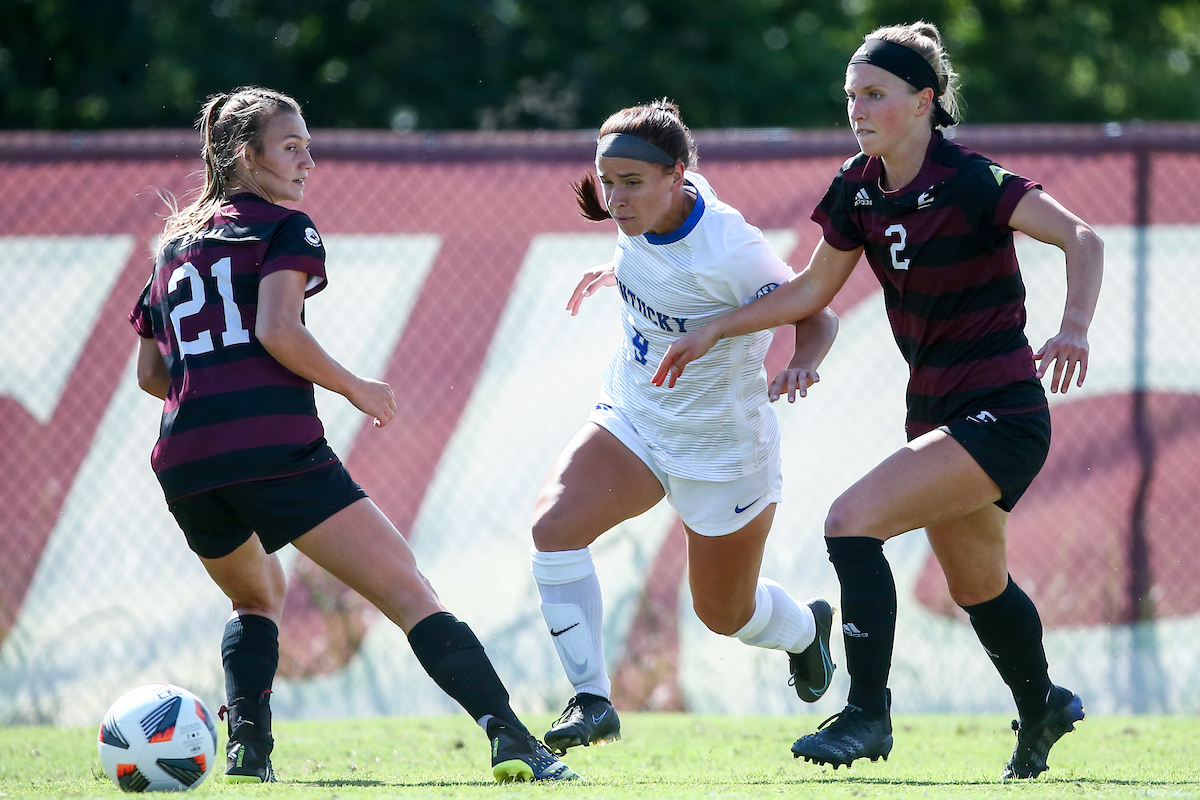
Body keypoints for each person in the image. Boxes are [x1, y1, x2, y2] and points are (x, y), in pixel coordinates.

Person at [654, 22, 1103, 780]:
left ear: (924, 101)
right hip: (934, 412)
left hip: (1004, 411)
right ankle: (1044, 706)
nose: (857, 109)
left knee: (851, 522)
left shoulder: (971, 180)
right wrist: (720, 327)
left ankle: (866, 714)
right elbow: (811, 290)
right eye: (851, 95)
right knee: (977, 585)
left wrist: (1075, 328)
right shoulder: (858, 186)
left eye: (874, 94)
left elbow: (1083, 238)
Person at [129, 86, 578, 784]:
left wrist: (217, 396)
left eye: (308, 145)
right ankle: (514, 739)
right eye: (292, 146)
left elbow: (152, 374)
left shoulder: (172, 247)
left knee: (255, 597)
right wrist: (354, 387)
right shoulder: (285, 227)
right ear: (245, 155)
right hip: (274, 452)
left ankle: (249, 750)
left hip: (186, 461)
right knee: (410, 592)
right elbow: (277, 329)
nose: (309, 160)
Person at [530, 99, 840, 756]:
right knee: (553, 526)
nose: (615, 198)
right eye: (606, 181)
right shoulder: (646, 209)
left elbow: (817, 314)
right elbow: (660, 261)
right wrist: (616, 270)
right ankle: (591, 701)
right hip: (635, 417)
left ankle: (805, 631)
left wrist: (802, 364)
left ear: (676, 175)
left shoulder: (729, 248)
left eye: (631, 182)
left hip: (721, 450)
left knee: (724, 614)